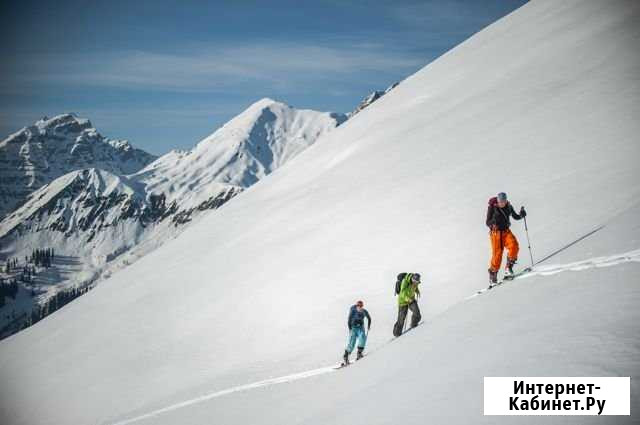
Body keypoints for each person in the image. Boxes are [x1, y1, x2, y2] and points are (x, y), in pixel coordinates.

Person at [486, 192, 526, 283]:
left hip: (506, 231)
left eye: (503, 201)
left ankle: (508, 268)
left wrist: (521, 215)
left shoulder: (508, 206)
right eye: (500, 201)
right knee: (497, 255)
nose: (502, 203)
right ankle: (493, 274)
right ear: (497, 201)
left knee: (514, 245)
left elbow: (515, 216)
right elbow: (487, 223)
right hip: (496, 234)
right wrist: (494, 220)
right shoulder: (492, 208)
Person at [343, 300, 371, 365]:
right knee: (352, 343)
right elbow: (349, 320)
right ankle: (346, 356)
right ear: (356, 306)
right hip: (354, 328)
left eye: (361, 306)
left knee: (363, 338)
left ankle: (359, 353)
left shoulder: (364, 311)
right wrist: (350, 329)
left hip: (361, 327)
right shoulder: (353, 311)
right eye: (358, 306)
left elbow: (369, 318)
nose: (360, 307)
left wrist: (368, 326)